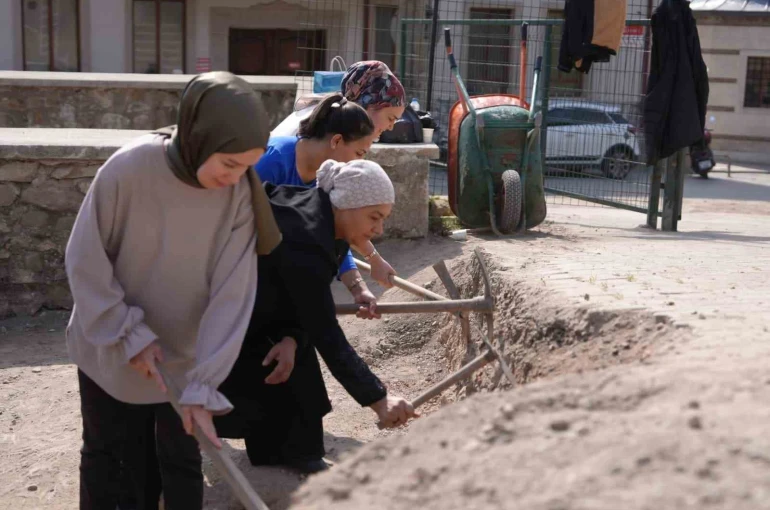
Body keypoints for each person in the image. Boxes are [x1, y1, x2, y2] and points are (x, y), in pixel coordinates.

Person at [65, 71, 281, 510]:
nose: (236, 176)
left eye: (247, 167)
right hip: (108, 342)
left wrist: (205, 383)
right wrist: (127, 332)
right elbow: (85, 259)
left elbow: (232, 292)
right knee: (109, 456)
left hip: (182, 356)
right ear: (201, 137)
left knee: (179, 457)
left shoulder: (238, 194)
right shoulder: (129, 169)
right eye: (229, 163)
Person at [215, 159, 419, 474]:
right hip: (224, 310)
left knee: (293, 354)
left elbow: (297, 297)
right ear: (348, 204)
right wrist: (379, 399)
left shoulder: (323, 214)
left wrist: (292, 337)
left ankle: (280, 450)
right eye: (374, 218)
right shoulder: (305, 239)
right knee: (292, 361)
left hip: (263, 302)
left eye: (382, 220)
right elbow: (327, 333)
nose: (377, 231)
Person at [258, 93, 394, 318]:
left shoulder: (327, 180)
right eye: (359, 153)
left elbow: (335, 236)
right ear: (337, 141)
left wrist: (359, 287)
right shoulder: (272, 161)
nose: (358, 163)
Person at [272, 60, 407, 139]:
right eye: (391, 118)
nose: (390, 127)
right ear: (370, 104)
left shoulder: (334, 112)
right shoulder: (333, 124)